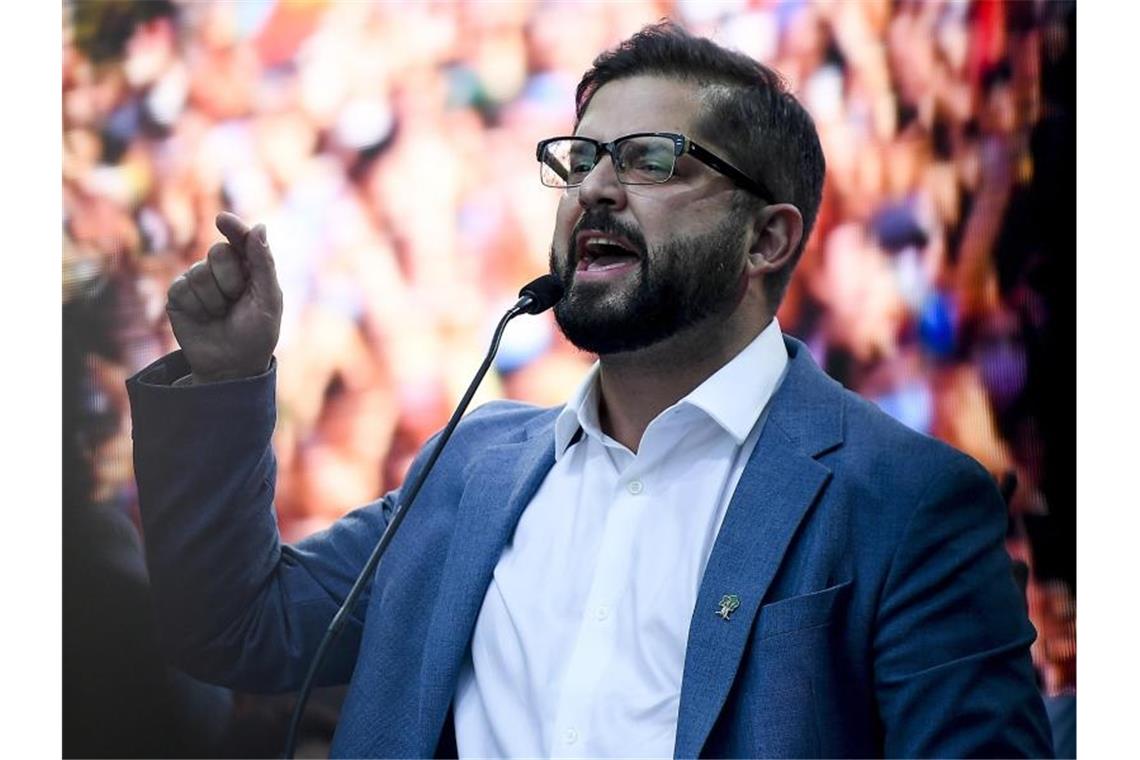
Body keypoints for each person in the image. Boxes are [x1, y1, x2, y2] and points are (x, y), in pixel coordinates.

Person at [126, 23, 1052, 758]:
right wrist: (229, 375)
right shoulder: (471, 468)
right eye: (581, 160)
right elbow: (236, 628)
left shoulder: (903, 501)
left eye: (651, 160)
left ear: (768, 240)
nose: (594, 191)